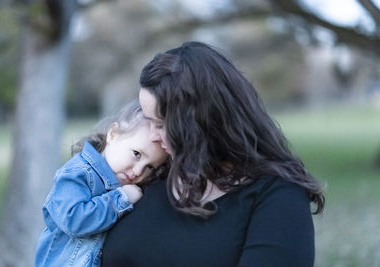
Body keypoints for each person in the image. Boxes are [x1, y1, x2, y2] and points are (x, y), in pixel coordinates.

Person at [101, 41, 325, 266]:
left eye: (160, 124)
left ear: (202, 124)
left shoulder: (277, 196)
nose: (152, 137)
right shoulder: (151, 172)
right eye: (149, 121)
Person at [34, 100, 168, 267]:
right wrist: (121, 198)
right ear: (113, 134)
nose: (139, 171)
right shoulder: (78, 173)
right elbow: (74, 220)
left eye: (150, 167)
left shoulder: (127, 185)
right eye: (137, 154)